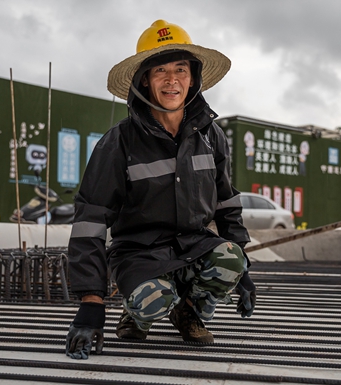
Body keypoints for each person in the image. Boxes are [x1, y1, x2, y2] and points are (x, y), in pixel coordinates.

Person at [65, 19, 256, 360]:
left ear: (193, 78)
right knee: (154, 300)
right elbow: (89, 220)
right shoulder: (119, 142)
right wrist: (90, 302)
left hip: (193, 246)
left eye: (181, 69)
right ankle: (137, 312)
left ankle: (187, 313)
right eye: (160, 71)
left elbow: (227, 203)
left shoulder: (211, 136)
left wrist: (244, 269)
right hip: (140, 254)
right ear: (144, 81)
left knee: (230, 258)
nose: (172, 80)